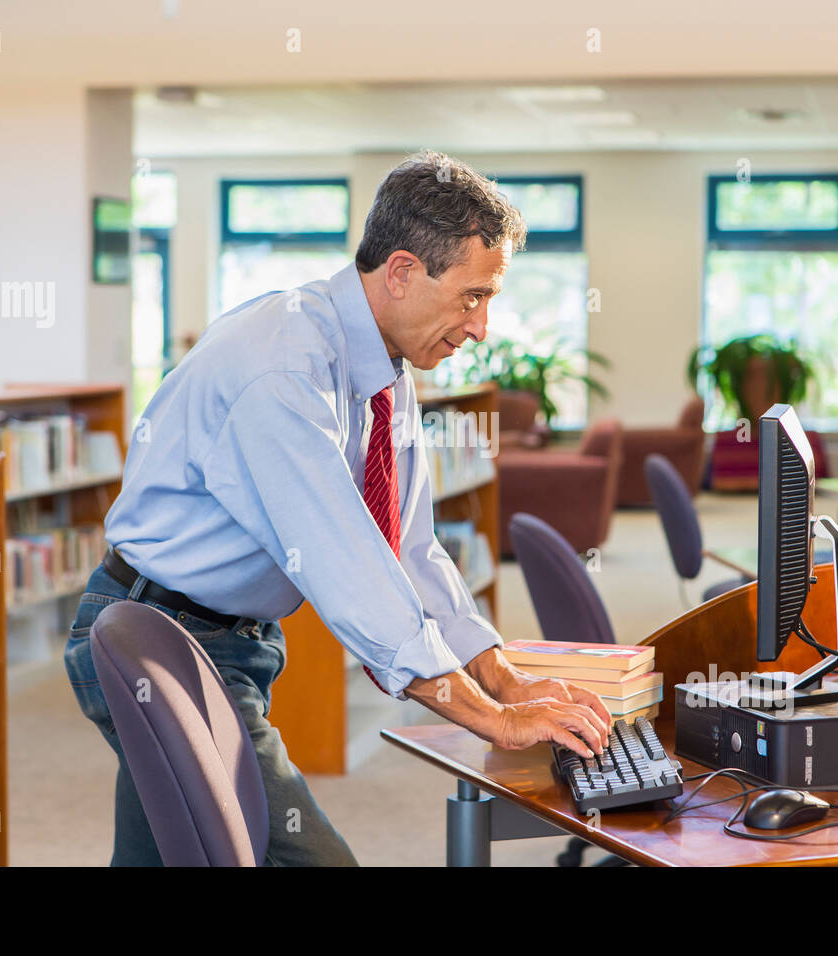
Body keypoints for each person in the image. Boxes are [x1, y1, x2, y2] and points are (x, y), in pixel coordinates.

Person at [64, 150, 611, 866]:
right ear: (404, 272)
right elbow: (350, 572)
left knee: (166, 854)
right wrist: (493, 720)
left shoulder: (383, 368)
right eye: (474, 296)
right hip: (159, 637)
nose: (481, 328)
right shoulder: (285, 369)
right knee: (310, 858)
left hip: (237, 640)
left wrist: (505, 675)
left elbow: (407, 548)